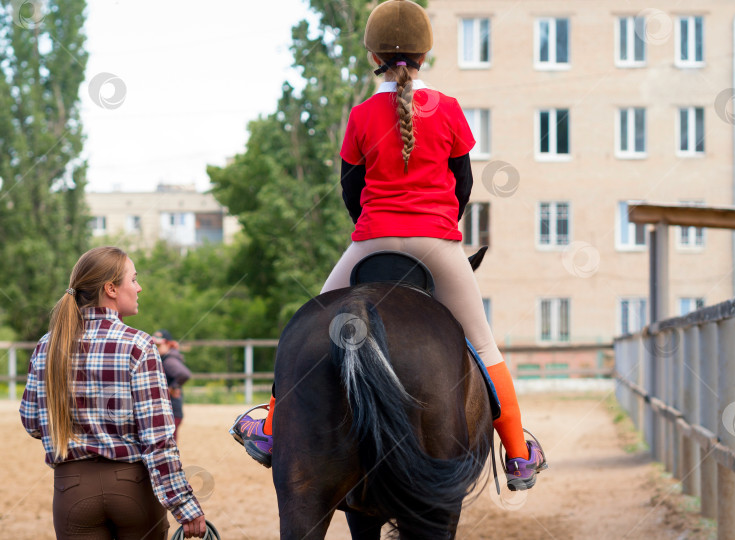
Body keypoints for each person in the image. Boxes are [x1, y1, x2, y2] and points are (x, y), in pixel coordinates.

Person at [232, 0, 547, 491]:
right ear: (425, 53)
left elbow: (348, 187)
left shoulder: (361, 114)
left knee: (303, 328)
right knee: (484, 345)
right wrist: (441, 222)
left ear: (372, 53)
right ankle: (519, 454)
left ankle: (270, 430)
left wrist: (372, 228)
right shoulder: (448, 108)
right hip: (437, 244)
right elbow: (463, 182)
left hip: (371, 239)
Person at [20, 246, 207, 539]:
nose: (139, 287)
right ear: (110, 288)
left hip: (71, 488)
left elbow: (32, 423)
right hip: (132, 487)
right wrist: (185, 505)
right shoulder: (139, 346)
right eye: (133, 280)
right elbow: (157, 440)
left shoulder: (47, 345)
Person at [153, 329, 191, 443]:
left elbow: (184, 374)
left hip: (171, 411)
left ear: (168, 344)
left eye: (159, 344)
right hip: (172, 411)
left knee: (168, 445)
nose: (155, 347)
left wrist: (172, 388)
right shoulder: (167, 357)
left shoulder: (168, 360)